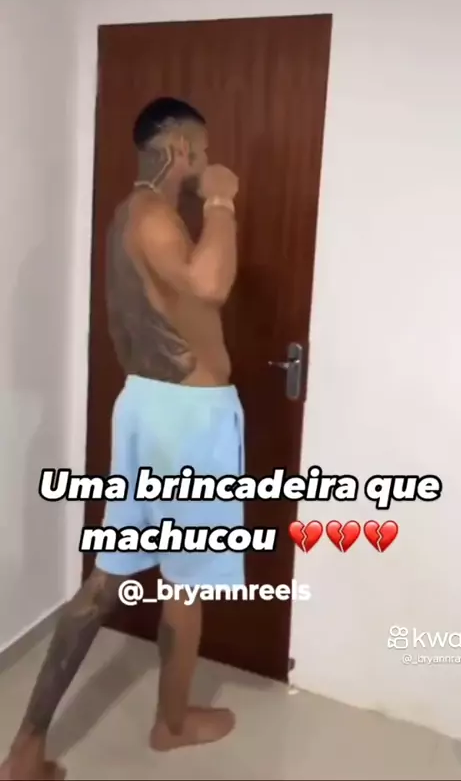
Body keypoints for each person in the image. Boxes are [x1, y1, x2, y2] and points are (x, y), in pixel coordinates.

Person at [0, 97, 244, 781]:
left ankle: (25, 750)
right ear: (180, 149)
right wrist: (222, 200)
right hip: (188, 421)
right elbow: (211, 284)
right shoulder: (158, 217)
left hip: (145, 410)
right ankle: (172, 726)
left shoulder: (127, 216)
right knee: (187, 579)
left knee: (109, 574)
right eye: (202, 150)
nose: (206, 161)